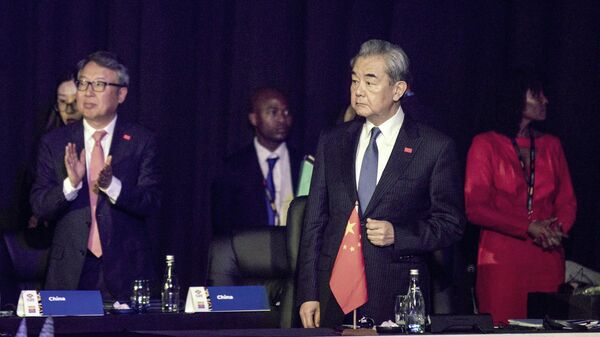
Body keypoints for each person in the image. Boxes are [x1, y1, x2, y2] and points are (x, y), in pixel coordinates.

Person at [297, 39, 465, 328]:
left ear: (398, 89)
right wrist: (307, 293)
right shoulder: (333, 141)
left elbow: (451, 224)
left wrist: (398, 235)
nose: (358, 91)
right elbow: (314, 222)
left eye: (370, 82)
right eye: (354, 81)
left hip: (395, 294)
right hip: (333, 294)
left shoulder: (433, 147)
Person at [30, 51, 160, 301]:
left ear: (121, 93)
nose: (88, 92)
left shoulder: (142, 141)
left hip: (126, 270)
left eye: (99, 84)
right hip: (70, 273)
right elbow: (40, 206)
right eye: (83, 83)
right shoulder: (54, 143)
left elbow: (152, 202)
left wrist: (112, 186)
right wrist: (71, 185)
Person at [464, 69, 576, 324]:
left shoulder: (552, 145)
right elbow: (475, 208)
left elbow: (567, 201)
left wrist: (555, 231)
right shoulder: (485, 144)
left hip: (547, 256)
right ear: (515, 98)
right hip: (502, 262)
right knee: (504, 327)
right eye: (536, 95)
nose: (545, 100)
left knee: (549, 327)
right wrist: (528, 227)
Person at [209, 88, 301, 289]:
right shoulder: (232, 167)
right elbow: (221, 224)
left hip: (294, 256)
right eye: (273, 112)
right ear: (253, 118)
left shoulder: (305, 162)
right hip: (247, 261)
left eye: (286, 113)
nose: (282, 120)